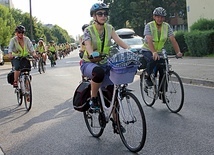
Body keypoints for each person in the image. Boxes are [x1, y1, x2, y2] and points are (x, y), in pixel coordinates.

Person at [80, 3, 130, 112]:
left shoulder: (109, 28)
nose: (103, 16)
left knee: (113, 92)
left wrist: (129, 49)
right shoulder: (88, 30)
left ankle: (116, 124)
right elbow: (88, 45)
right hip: (89, 63)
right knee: (98, 73)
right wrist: (92, 53)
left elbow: (118, 40)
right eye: (100, 14)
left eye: (105, 13)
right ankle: (93, 99)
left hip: (105, 62)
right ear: (94, 16)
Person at [141, 7, 183, 102]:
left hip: (160, 50)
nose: (160, 19)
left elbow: (173, 39)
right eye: (158, 17)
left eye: (162, 17)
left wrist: (178, 52)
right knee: (153, 59)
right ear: (154, 17)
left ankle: (162, 93)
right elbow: (149, 40)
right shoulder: (149, 26)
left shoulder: (167, 26)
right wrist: (154, 52)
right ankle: (147, 76)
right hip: (148, 49)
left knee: (165, 71)